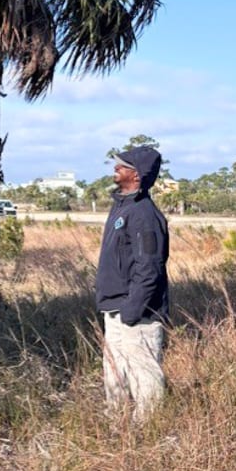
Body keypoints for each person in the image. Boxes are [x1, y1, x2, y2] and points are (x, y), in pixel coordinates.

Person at [95, 145, 169, 421]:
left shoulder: (145, 215)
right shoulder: (121, 206)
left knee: (144, 376)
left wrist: (132, 310)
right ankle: (117, 428)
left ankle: (147, 432)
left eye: (123, 165)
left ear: (137, 175)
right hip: (114, 309)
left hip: (137, 316)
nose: (116, 167)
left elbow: (149, 268)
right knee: (115, 374)